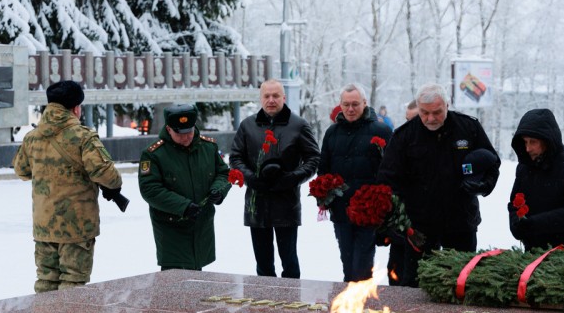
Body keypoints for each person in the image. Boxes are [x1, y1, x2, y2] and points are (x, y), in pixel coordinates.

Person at [378, 82, 500, 287]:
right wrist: (398, 223)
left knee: (461, 281)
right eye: (425, 113)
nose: (431, 118)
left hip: (461, 221)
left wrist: (483, 186)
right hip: (419, 226)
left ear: (447, 105)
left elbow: (492, 162)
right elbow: (388, 180)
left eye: (437, 112)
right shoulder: (404, 136)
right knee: (416, 285)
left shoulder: (468, 127)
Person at [13, 81, 123, 293]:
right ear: (75, 108)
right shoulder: (83, 137)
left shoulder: (32, 138)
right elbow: (108, 176)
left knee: (46, 283)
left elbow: (22, 171)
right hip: (76, 228)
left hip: (44, 227)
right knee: (73, 285)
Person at [229, 79, 320, 278]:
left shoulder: (298, 125)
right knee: (263, 265)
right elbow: (235, 158)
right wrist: (251, 178)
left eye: (275, 96)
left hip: (286, 203)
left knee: (289, 262)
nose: (271, 100)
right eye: (267, 96)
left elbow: (313, 158)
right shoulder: (247, 126)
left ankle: (292, 303)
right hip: (256, 203)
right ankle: (264, 305)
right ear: (261, 99)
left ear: (283, 97)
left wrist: (292, 178)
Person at [138, 103, 231, 271]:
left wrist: (218, 190)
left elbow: (223, 173)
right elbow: (150, 190)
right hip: (172, 229)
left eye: (190, 131)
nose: (186, 137)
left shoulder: (208, 148)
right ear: (168, 129)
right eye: (180, 133)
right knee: (173, 281)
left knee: (198, 280)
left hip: (201, 226)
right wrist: (183, 206)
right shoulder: (154, 154)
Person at [318, 83, 392, 282]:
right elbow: (323, 167)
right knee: (347, 262)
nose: (350, 109)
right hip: (341, 209)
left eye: (355, 104)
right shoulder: (332, 132)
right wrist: (323, 194)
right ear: (340, 105)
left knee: (362, 265)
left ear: (365, 103)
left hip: (368, 210)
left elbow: (390, 170)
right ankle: (348, 305)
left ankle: (361, 304)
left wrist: (381, 200)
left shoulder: (381, 130)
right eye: (346, 104)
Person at [507, 109, 564, 251]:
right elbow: (515, 202)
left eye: (533, 142)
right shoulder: (525, 167)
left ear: (547, 140)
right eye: (525, 142)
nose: (528, 148)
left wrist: (534, 224)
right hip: (533, 253)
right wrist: (516, 223)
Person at [385, 98, 421, 285]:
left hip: (423, 226)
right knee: (395, 272)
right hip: (400, 222)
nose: (410, 125)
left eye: (414, 120)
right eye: (407, 119)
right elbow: (387, 176)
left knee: (415, 278)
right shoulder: (399, 140)